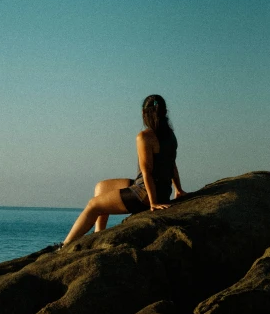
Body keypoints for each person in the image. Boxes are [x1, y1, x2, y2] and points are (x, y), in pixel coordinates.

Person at [61, 95, 185, 246]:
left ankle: (65, 245)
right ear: (165, 112)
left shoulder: (144, 136)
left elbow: (147, 172)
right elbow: (172, 164)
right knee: (101, 187)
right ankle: (98, 235)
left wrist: (153, 203)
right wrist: (178, 190)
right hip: (160, 189)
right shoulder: (170, 135)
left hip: (144, 193)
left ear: (143, 114)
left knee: (93, 205)